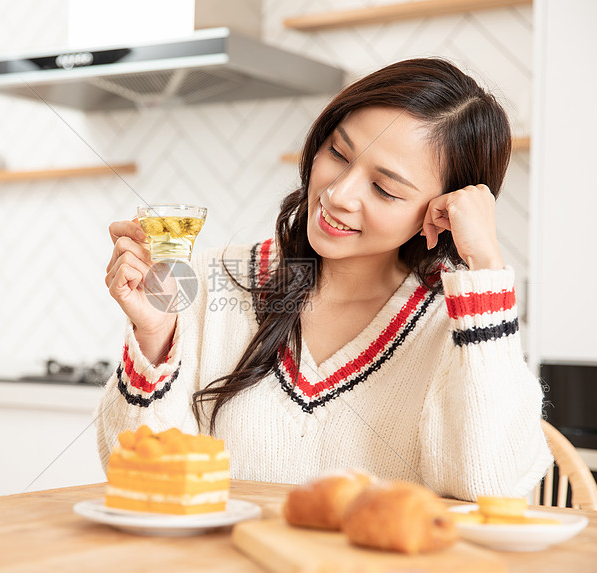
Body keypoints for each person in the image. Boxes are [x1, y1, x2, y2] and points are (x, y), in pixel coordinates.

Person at [97, 58, 552, 501]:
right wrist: (155, 334)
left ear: (440, 211)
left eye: (385, 188)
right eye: (337, 152)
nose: (338, 193)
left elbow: (492, 486)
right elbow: (139, 474)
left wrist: (487, 266)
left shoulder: (457, 326)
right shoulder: (212, 281)